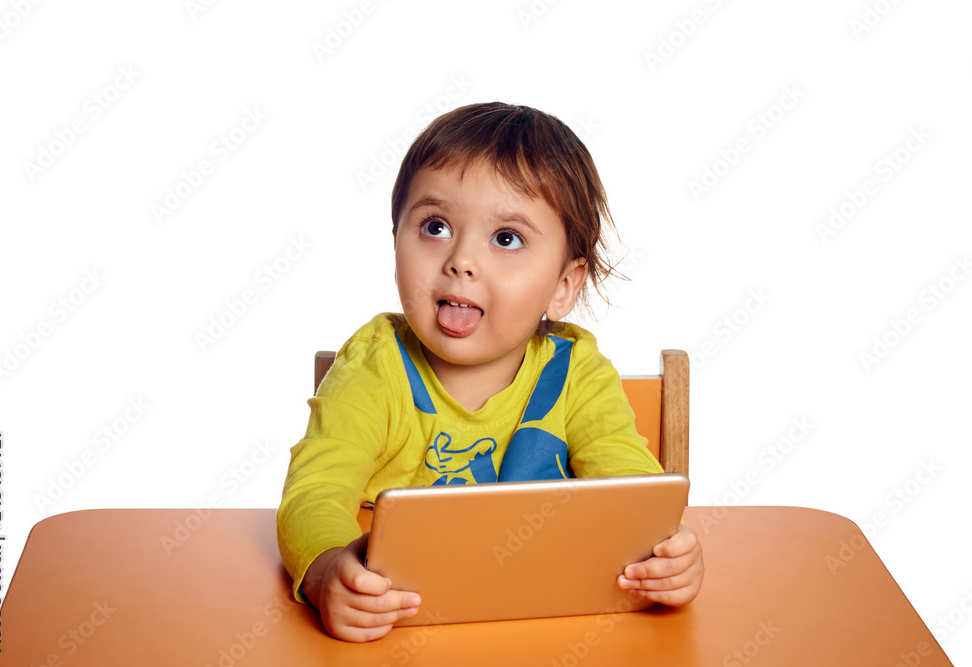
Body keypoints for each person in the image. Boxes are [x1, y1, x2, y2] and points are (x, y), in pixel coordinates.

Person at [277, 102, 704, 642]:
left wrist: (669, 556)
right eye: (435, 227)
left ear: (563, 287)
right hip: (402, 624)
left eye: (506, 238)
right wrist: (326, 573)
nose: (461, 260)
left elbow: (634, 495)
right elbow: (315, 492)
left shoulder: (576, 372)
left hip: (551, 629)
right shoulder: (374, 365)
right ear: (394, 240)